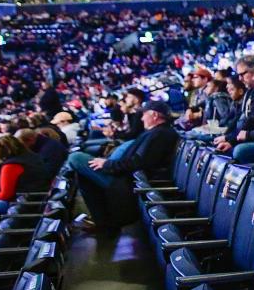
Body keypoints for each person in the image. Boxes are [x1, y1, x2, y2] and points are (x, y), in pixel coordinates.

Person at [69, 101, 180, 235]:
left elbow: (139, 162)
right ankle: (104, 222)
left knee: (75, 158)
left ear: (154, 115)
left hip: (125, 181)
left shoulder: (160, 134)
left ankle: (105, 223)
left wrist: (107, 164)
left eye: (144, 114)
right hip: (125, 176)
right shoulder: (158, 132)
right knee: (83, 176)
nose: (141, 118)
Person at [0, 135, 50, 231]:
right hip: (41, 195)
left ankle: (0, 238)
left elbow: (5, 195)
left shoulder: (11, 165)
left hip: (27, 203)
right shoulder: (32, 156)